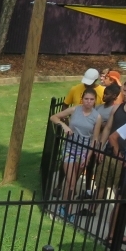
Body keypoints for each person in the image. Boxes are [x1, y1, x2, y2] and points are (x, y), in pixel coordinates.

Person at [50, 88, 106, 216]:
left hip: (84, 151)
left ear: (95, 101)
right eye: (86, 99)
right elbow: (54, 117)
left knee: (72, 182)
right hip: (70, 148)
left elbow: (94, 140)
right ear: (82, 99)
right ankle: (66, 209)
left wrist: (87, 158)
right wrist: (64, 125)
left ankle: (64, 206)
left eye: (91, 99)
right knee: (71, 181)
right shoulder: (74, 109)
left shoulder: (97, 117)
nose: (88, 102)